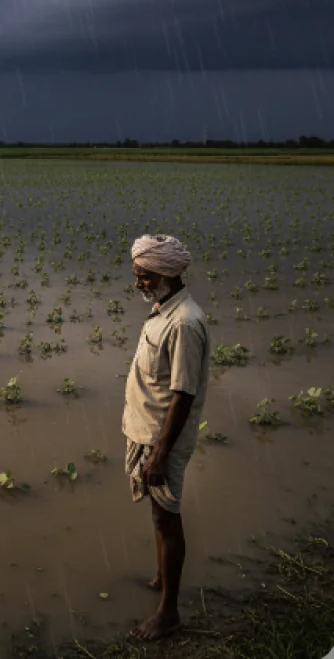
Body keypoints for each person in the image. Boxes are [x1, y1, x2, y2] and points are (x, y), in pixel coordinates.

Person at [122, 233, 210, 641]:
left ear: (165, 273)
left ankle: (168, 612)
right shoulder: (164, 309)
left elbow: (183, 394)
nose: (138, 281)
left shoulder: (185, 323)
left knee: (166, 516)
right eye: (138, 274)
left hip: (163, 437)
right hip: (150, 431)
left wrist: (160, 452)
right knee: (159, 515)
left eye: (143, 275)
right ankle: (161, 578)